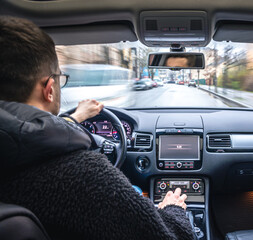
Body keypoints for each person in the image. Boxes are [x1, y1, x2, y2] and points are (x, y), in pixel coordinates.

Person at [0, 16, 194, 240]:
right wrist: (173, 209)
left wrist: (75, 119)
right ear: (49, 88)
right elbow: (172, 236)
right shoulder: (86, 178)